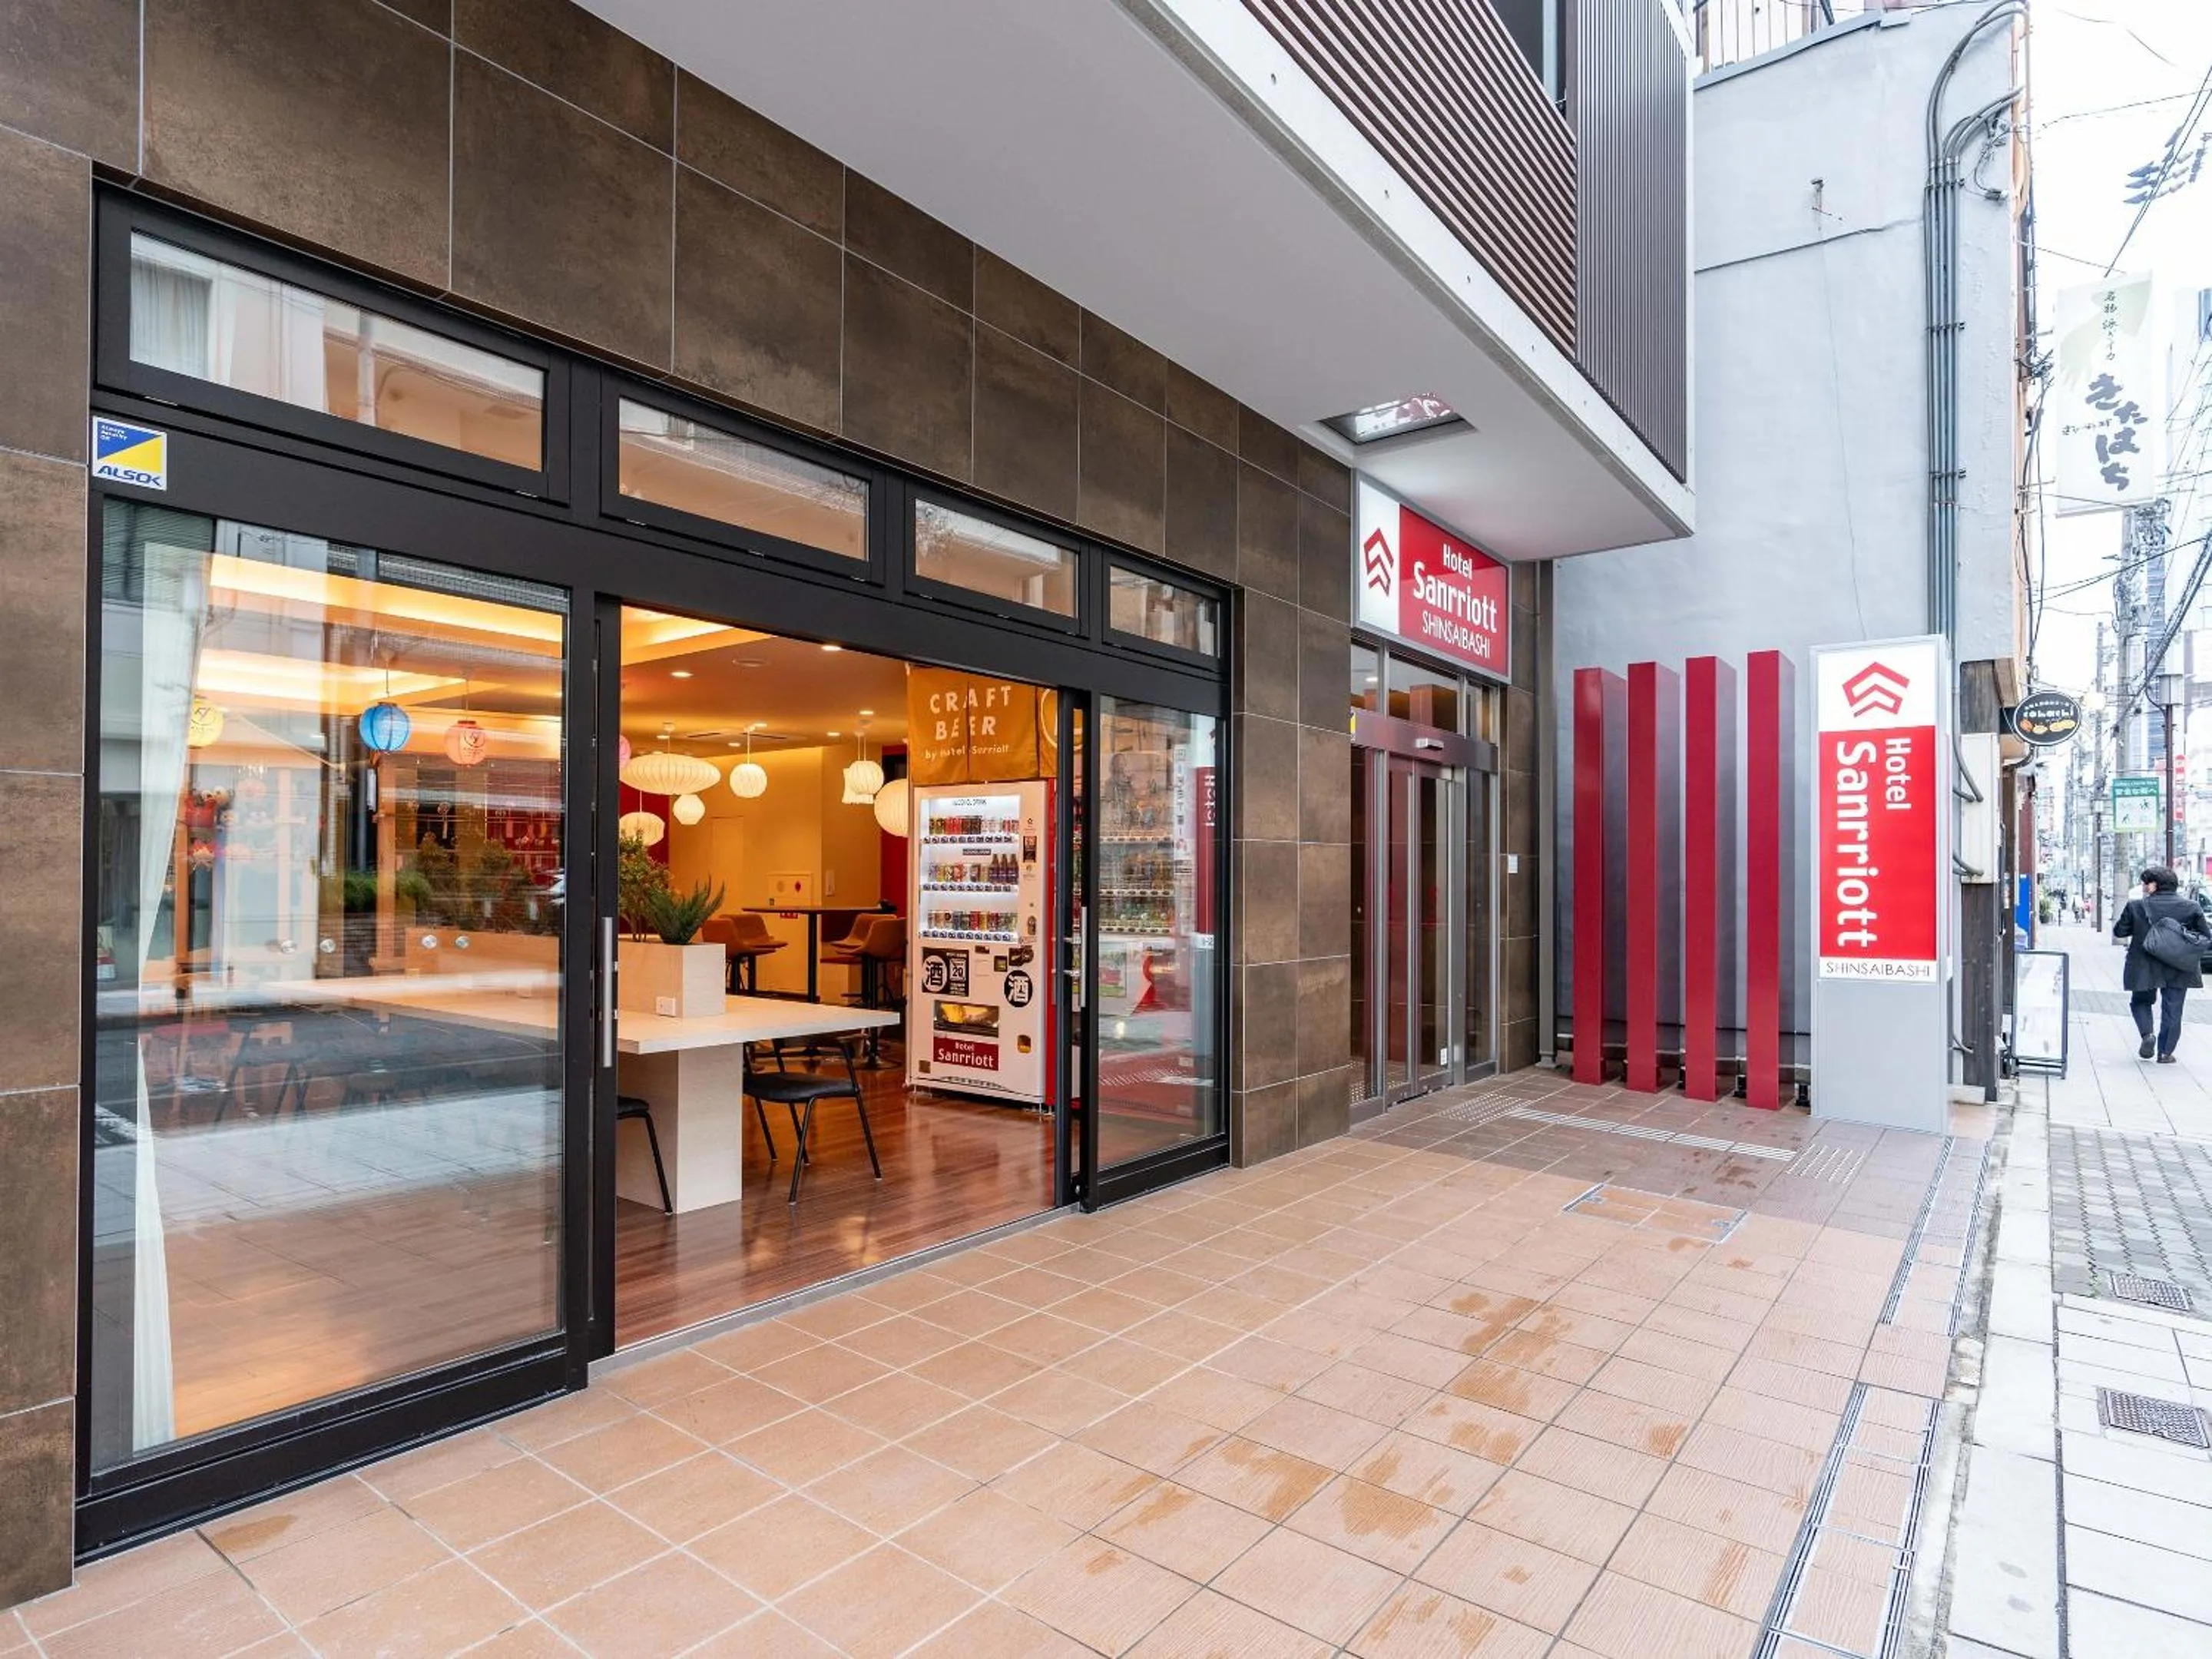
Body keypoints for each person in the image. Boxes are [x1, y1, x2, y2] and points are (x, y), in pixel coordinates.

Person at [2111, 866, 2211, 1063]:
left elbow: (2120, 932)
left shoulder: (2136, 906)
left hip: (2144, 964)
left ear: (2154, 885)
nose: (2143, 886)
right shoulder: (2191, 907)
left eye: (2145, 882)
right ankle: (2165, 1052)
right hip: (2179, 964)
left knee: (2141, 1001)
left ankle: (2148, 1035)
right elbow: (2206, 937)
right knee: (2173, 1008)